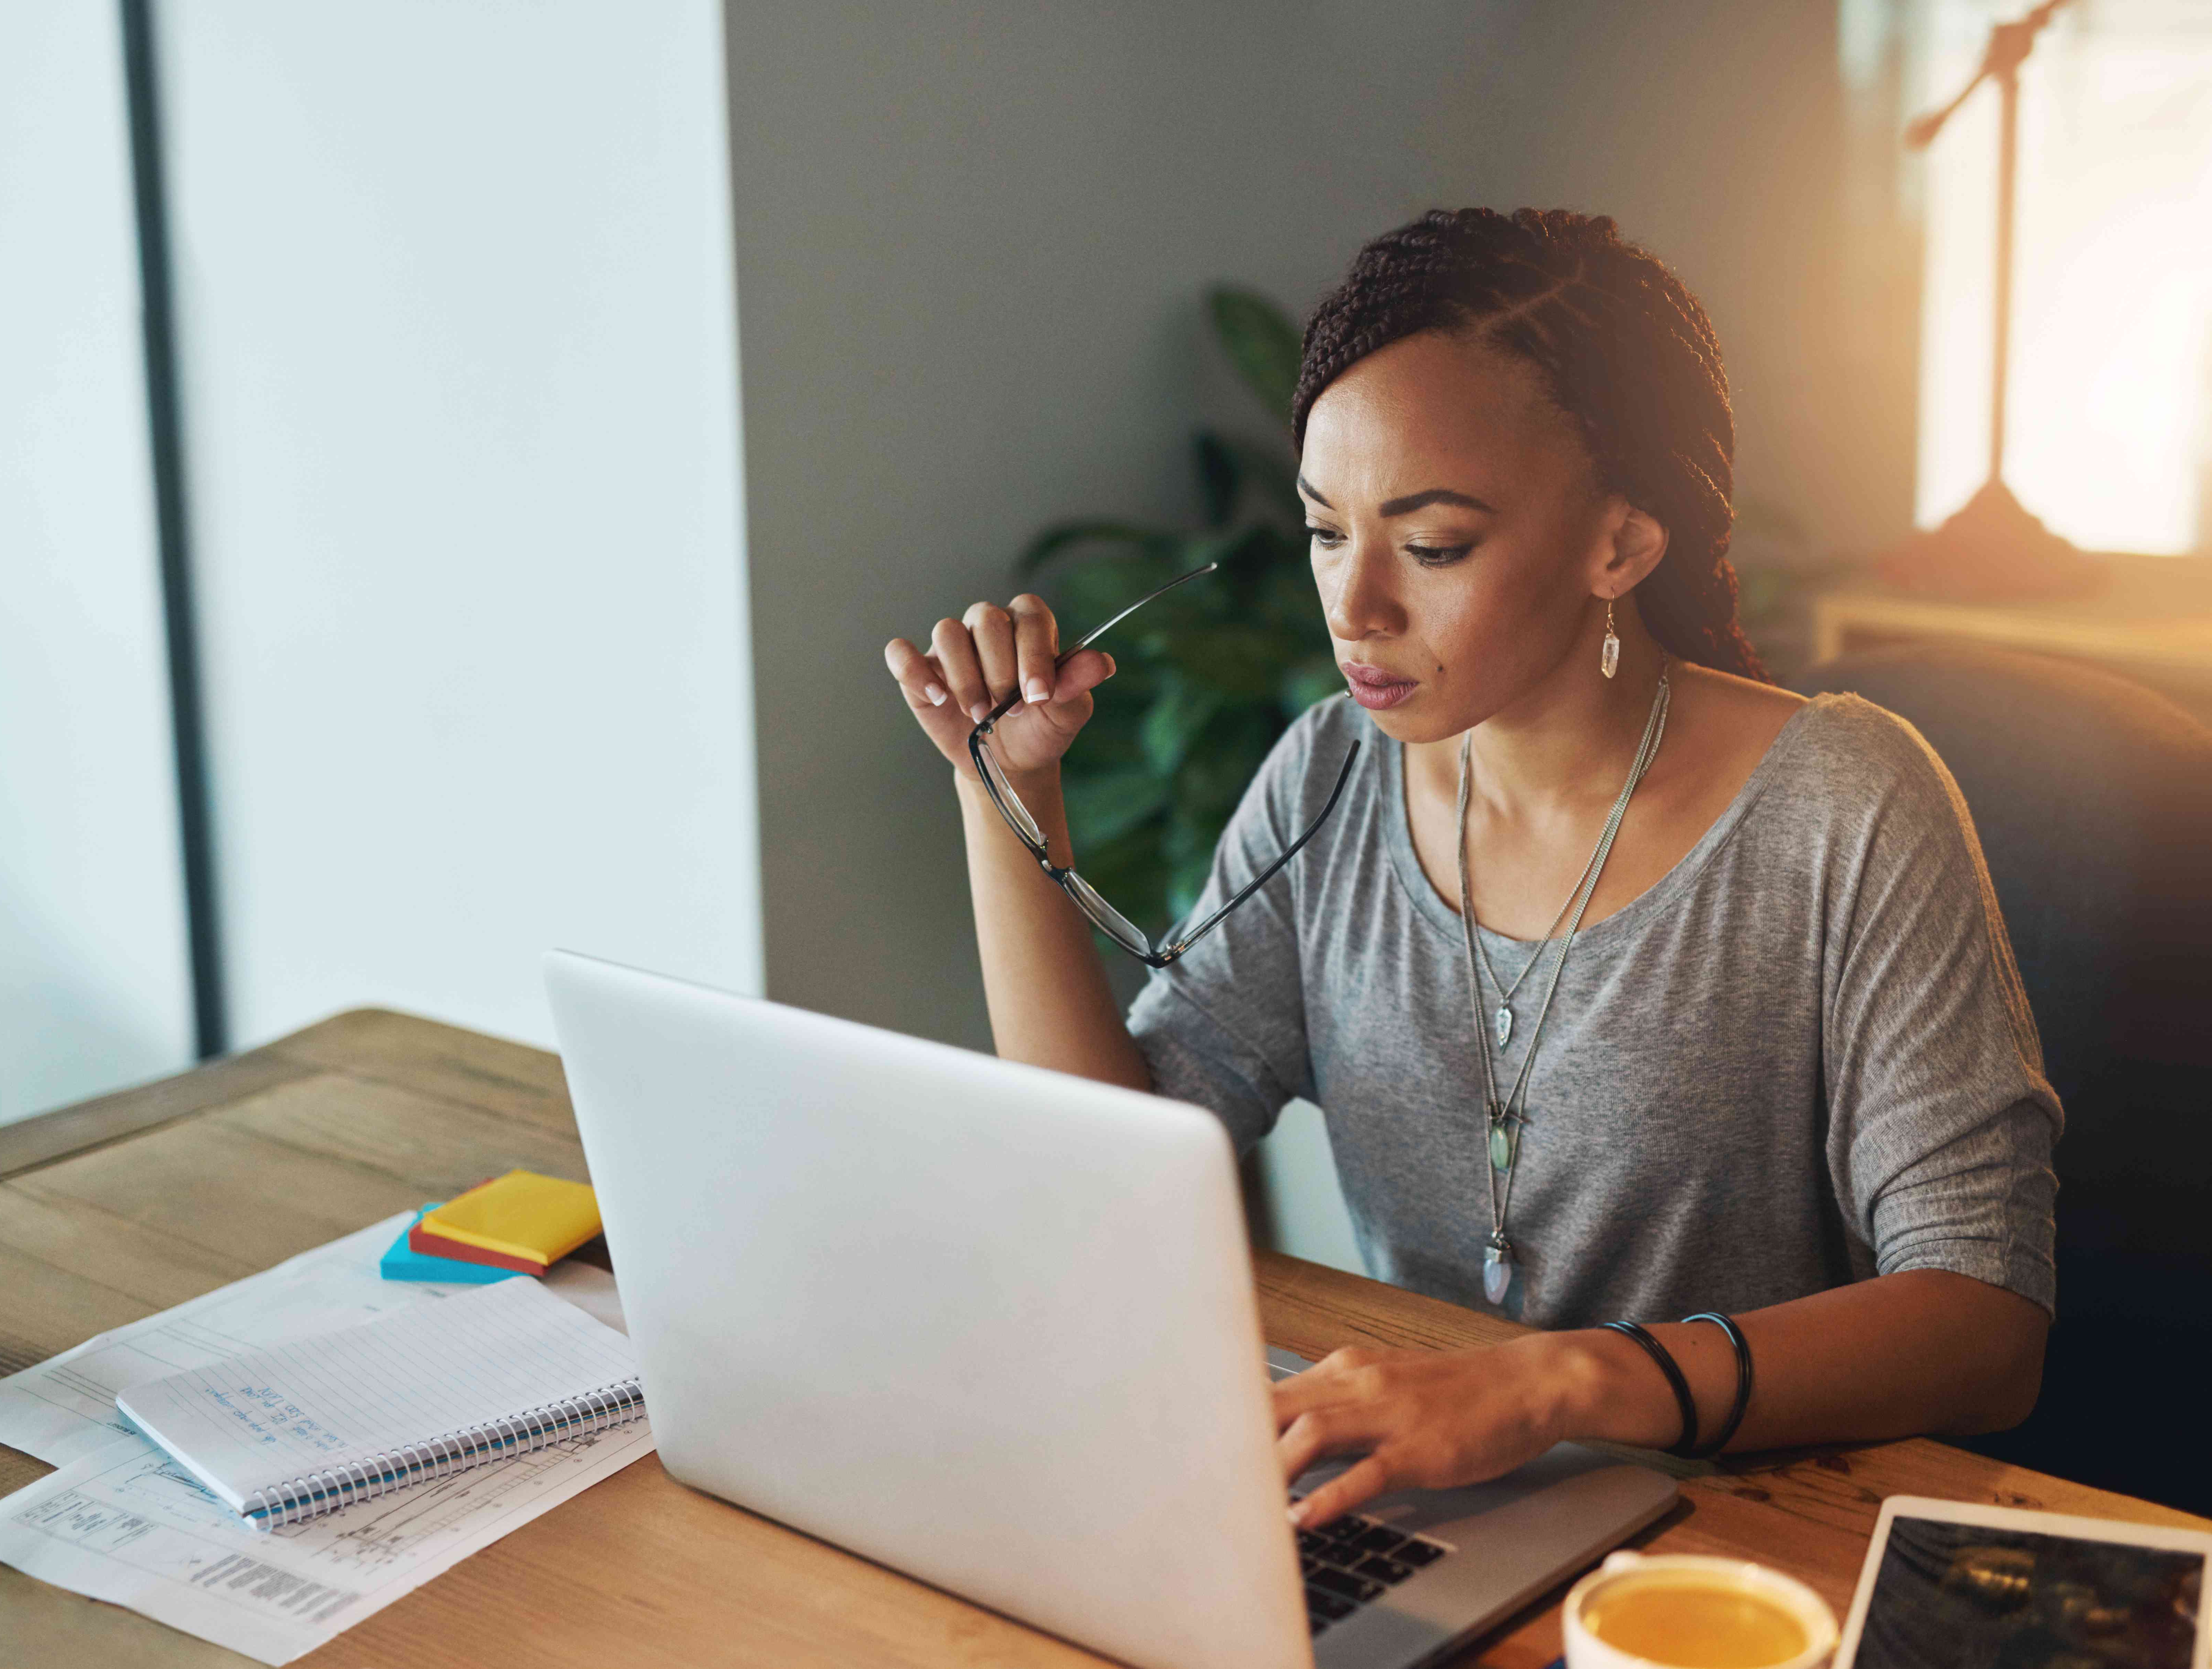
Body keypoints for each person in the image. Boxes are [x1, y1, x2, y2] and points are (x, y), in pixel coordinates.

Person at [881, 207, 2059, 1528]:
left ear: (1620, 544)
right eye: (1328, 532)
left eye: (1432, 545)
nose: (1355, 606)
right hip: (1435, 1503)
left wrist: (1552, 1387)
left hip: (1744, 1528)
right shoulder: (1330, 773)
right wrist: (1003, 798)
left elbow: (1986, 1326)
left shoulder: (1843, 803)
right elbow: (1099, 1178)